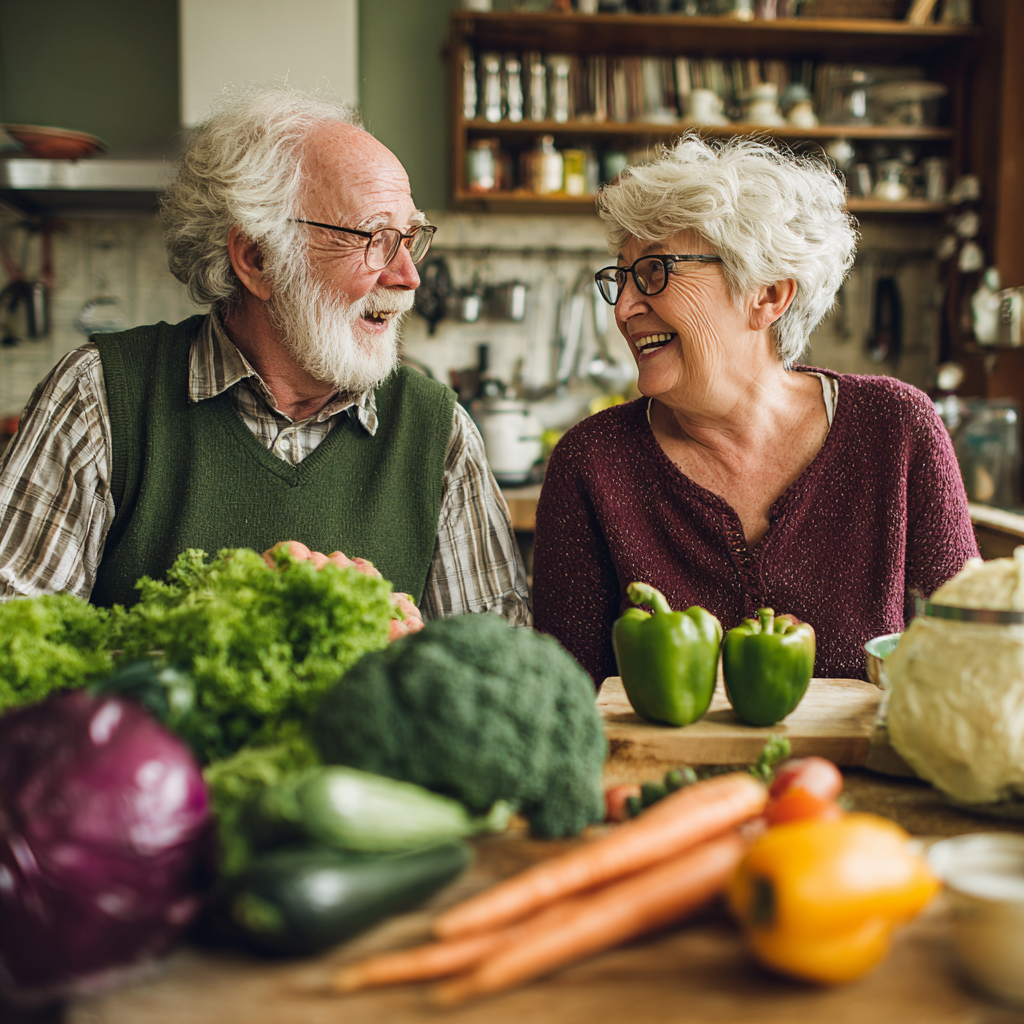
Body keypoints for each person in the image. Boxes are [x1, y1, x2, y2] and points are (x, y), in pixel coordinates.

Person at [0, 88, 530, 627]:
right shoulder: (98, 395)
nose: (407, 277)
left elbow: (497, 661)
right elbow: (14, 641)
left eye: (411, 238)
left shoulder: (438, 430)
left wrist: (416, 656)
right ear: (257, 259)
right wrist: (217, 630)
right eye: (375, 238)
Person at [533, 136, 976, 683]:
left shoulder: (897, 427)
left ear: (767, 295)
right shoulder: (591, 461)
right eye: (621, 276)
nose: (625, 308)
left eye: (654, 271)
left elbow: (970, 657)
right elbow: (567, 695)